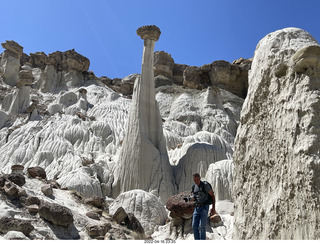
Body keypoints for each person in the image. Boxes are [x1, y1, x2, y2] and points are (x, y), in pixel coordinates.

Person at [191, 173, 216, 240]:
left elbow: (212, 196)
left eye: (197, 180)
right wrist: (190, 199)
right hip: (197, 207)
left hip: (204, 207)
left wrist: (213, 208)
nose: (196, 181)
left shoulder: (205, 185)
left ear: (200, 178)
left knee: (202, 226)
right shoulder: (194, 186)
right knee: (194, 225)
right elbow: (195, 197)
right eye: (195, 180)